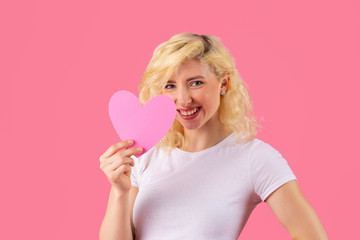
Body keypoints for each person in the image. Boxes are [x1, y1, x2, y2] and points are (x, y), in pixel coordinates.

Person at [99, 33, 328, 240]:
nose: (183, 99)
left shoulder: (254, 158)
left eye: (196, 83)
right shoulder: (146, 155)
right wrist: (120, 191)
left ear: (224, 83)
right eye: (170, 86)